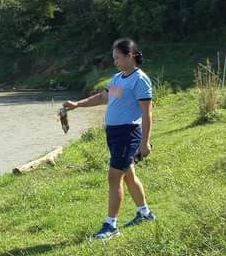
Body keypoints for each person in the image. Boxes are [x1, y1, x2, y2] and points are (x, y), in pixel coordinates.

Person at [63, 38, 156, 240]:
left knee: (114, 176)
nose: (114, 61)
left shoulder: (140, 80)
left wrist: (145, 142)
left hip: (128, 134)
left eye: (117, 57)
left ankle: (111, 225)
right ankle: (145, 213)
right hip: (114, 134)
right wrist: (77, 104)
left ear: (130, 56)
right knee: (128, 174)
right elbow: (103, 98)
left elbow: (147, 113)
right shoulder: (118, 78)